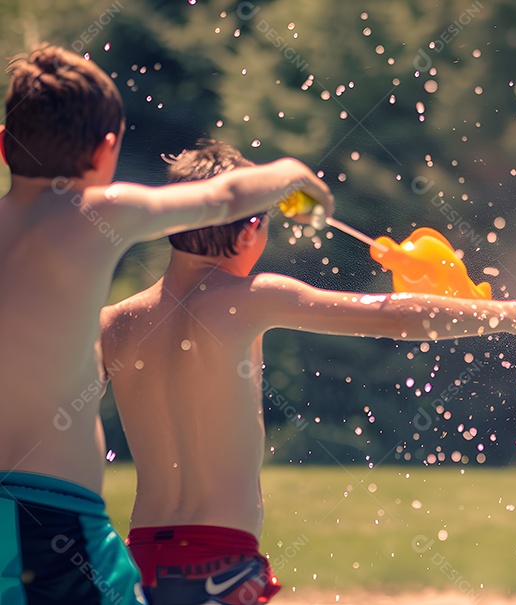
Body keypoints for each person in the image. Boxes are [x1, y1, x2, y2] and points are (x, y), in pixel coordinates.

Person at [99, 140, 516, 604]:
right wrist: (511, 315)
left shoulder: (115, 323)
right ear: (247, 234)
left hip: (141, 559)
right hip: (220, 563)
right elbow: (394, 317)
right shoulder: (253, 296)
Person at [0, 45, 332, 605]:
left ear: (4, 145)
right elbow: (224, 196)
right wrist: (291, 174)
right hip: (56, 517)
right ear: (108, 150)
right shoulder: (99, 212)